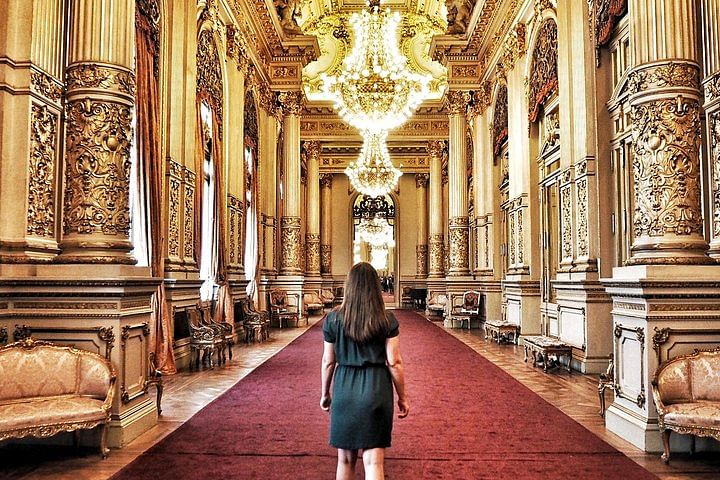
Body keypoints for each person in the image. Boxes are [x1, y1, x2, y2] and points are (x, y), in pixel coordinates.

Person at [320, 262, 409, 480]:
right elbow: (394, 362)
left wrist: (325, 394)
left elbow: (328, 362)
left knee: (345, 460)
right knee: (373, 462)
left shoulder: (333, 320)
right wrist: (402, 397)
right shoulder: (386, 319)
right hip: (376, 388)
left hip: (344, 388)